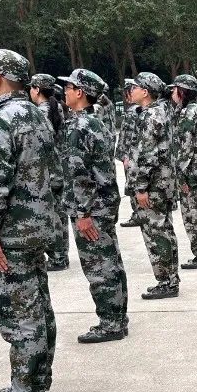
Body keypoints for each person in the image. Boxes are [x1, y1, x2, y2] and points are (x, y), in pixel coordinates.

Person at [0, 50, 58, 392]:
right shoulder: (36, 114)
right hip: (35, 228)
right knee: (38, 307)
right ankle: (37, 381)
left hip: (8, 233)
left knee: (19, 313)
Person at [59, 68, 129, 343]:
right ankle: (118, 318)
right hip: (104, 203)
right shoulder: (96, 122)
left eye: (69, 88)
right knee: (111, 262)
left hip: (92, 208)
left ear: (80, 93)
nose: (64, 92)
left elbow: (81, 175)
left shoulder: (79, 126)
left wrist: (82, 212)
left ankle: (110, 323)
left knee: (99, 267)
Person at [128, 72, 180, 299]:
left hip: (153, 185)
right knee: (165, 230)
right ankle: (171, 279)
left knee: (156, 233)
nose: (131, 91)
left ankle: (166, 281)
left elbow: (148, 155)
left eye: (135, 87)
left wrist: (141, 188)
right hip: (163, 183)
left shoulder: (151, 115)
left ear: (145, 92)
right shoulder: (161, 111)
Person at [169, 74, 197, 269]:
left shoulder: (188, 113)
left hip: (191, 173)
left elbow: (185, 148)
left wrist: (181, 176)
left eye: (175, 89)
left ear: (182, 91)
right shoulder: (195, 110)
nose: (172, 93)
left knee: (193, 216)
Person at [30, 73, 70, 270]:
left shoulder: (40, 112)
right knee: (59, 213)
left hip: (48, 170)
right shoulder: (57, 107)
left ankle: (57, 257)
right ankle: (62, 254)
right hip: (59, 167)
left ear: (37, 89)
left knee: (51, 215)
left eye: (31, 87)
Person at [117, 79, 142, 227]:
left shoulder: (134, 111)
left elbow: (132, 136)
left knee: (132, 184)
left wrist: (127, 156)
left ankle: (137, 214)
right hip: (129, 154)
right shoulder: (134, 110)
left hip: (130, 156)